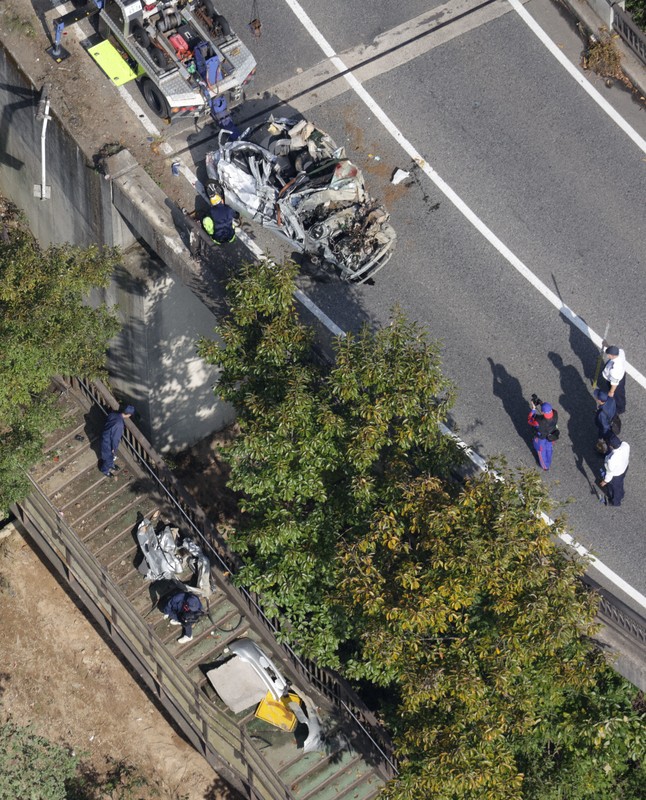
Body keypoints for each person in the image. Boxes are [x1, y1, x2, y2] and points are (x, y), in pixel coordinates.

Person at [99, 404, 135, 477]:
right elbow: (115, 439)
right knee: (108, 458)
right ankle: (105, 470)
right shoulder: (119, 425)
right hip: (107, 443)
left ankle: (111, 465)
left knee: (110, 457)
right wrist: (113, 448)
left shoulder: (113, 414)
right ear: (129, 415)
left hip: (105, 436)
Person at [598, 434, 629, 507]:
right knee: (620, 484)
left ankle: (615, 502)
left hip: (616, 474)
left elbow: (610, 473)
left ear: (611, 446)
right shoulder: (625, 445)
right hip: (624, 467)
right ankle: (621, 494)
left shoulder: (611, 460)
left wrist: (605, 481)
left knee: (614, 488)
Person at [528, 399, 559, 471]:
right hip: (550, 435)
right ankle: (549, 461)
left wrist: (533, 409)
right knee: (549, 448)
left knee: (541, 452)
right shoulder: (555, 414)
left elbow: (530, 420)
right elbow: (549, 410)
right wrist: (542, 404)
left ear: (542, 412)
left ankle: (545, 466)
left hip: (541, 438)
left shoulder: (539, 421)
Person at [600, 342, 626, 415]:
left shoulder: (615, 369)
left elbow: (614, 383)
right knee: (618, 393)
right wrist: (608, 346)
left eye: (608, 355)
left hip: (616, 381)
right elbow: (616, 350)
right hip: (621, 375)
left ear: (613, 356)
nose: (607, 356)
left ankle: (620, 409)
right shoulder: (620, 352)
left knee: (618, 394)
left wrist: (611, 392)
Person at [593, 389, 617, 454]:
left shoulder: (601, 414)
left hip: (606, 427)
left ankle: (603, 450)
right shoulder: (611, 400)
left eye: (597, 397)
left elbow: (604, 427)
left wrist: (603, 435)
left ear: (600, 400)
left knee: (604, 439)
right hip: (612, 419)